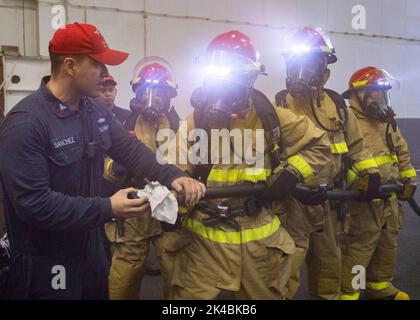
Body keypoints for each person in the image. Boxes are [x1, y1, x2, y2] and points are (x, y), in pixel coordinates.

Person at [0, 22, 205, 300]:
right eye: (98, 64)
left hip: (90, 245)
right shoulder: (26, 124)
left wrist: (172, 175)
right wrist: (107, 207)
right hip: (46, 255)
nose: (106, 74)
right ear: (70, 66)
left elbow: (130, 150)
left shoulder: (93, 110)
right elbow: (35, 205)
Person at [166, 30, 332, 300]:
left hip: (259, 242)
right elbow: (173, 169)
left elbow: (320, 144)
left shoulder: (271, 117)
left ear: (251, 78)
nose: (225, 88)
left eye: (235, 78)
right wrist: (175, 195)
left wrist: (291, 174)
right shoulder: (195, 121)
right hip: (203, 242)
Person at [274, 27, 380, 299]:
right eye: (296, 63)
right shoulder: (277, 108)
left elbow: (357, 148)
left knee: (329, 269)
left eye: (310, 65)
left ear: (325, 73)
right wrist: (290, 183)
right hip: (292, 205)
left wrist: (371, 173)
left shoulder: (337, 107)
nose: (302, 71)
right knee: (285, 271)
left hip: (330, 204)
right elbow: (269, 156)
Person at [103, 56, 181, 299]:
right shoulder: (121, 123)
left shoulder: (180, 124)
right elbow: (106, 164)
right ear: (137, 93)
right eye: (147, 91)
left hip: (168, 208)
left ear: (169, 96)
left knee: (176, 271)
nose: (152, 99)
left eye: (159, 93)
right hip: (135, 207)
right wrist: (116, 169)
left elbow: (187, 161)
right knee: (126, 271)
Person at [340, 66, 417, 300]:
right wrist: (362, 180)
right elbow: (347, 158)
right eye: (375, 93)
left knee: (387, 243)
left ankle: (379, 286)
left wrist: (408, 177)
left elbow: (401, 151)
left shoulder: (388, 122)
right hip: (362, 200)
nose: (380, 98)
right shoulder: (347, 122)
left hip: (390, 197)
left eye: (383, 93)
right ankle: (350, 292)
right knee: (359, 248)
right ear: (358, 95)